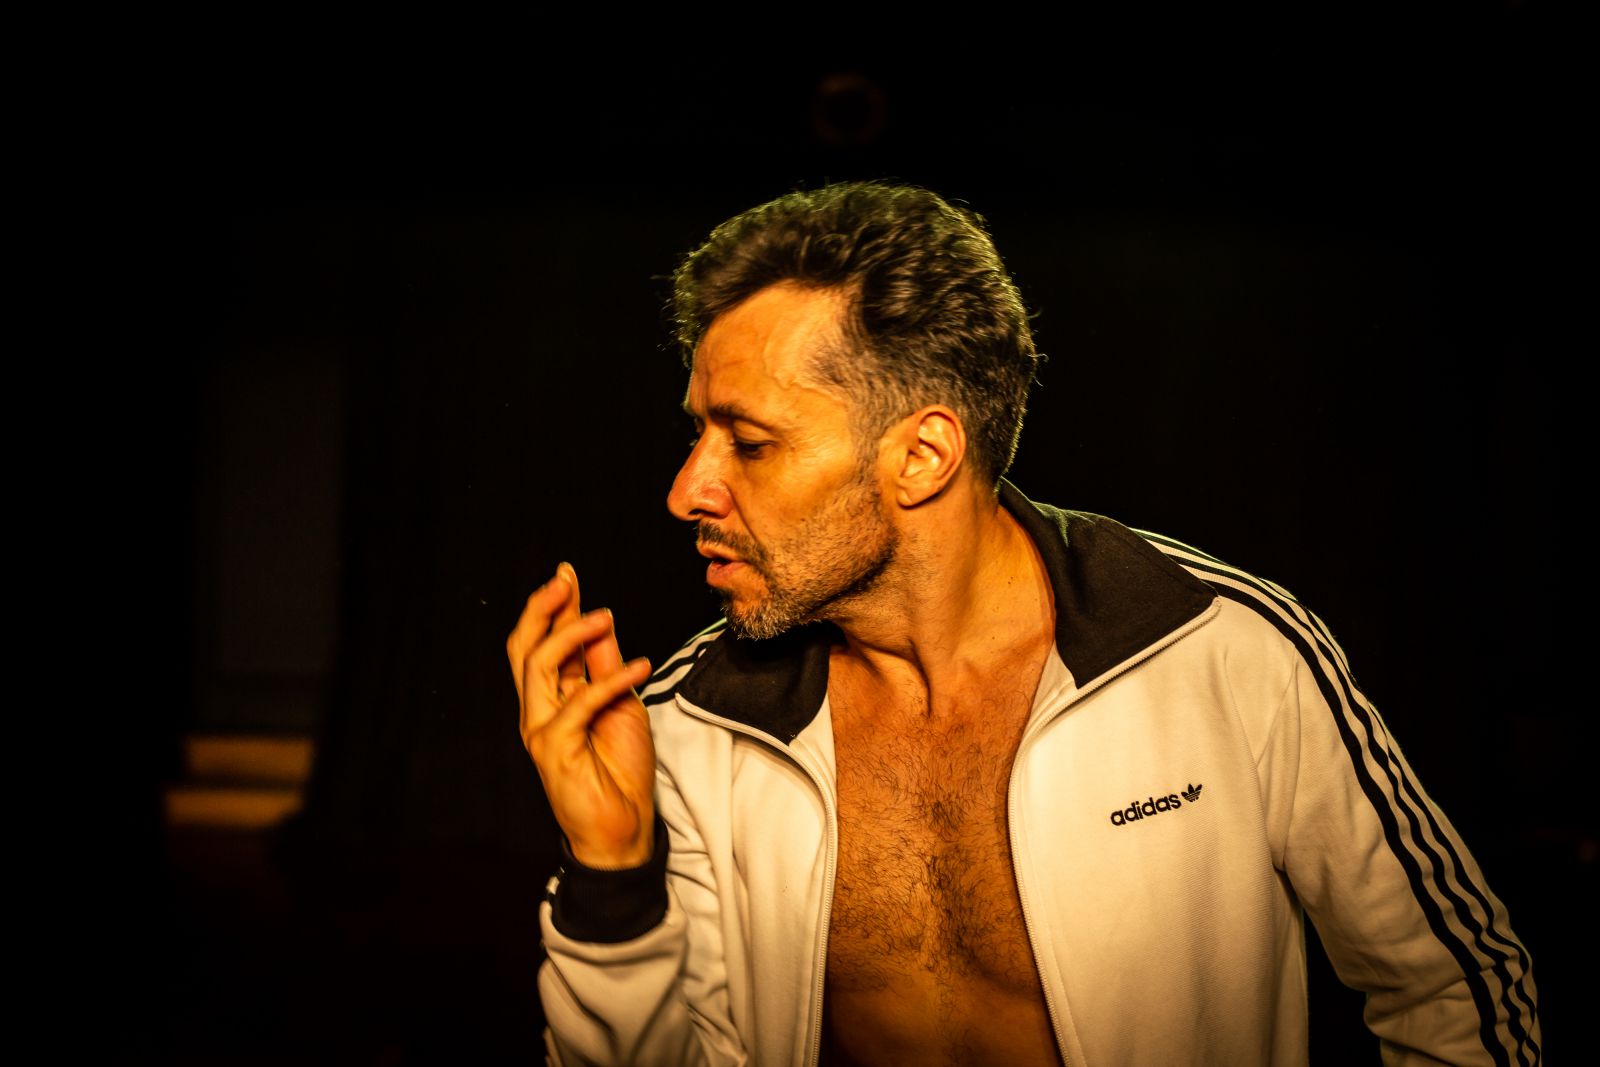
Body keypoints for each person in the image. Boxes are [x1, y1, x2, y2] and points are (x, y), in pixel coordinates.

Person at [506, 182, 1539, 1066]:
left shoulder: (1225, 652)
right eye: (699, 431)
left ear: (922, 455)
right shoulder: (689, 723)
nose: (687, 488)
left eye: (750, 441)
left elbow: (1454, 986)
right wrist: (612, 876)